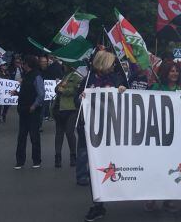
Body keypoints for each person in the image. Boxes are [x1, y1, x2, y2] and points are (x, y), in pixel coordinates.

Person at [81, 48, 128, 222]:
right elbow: (78, 100)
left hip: (113, 130)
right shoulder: (88, 80)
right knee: (93, 168)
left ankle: (118, 192)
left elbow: (129, 98)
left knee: (114, 164)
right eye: (111, 63)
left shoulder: (116, 78)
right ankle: (97, 205)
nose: (113, 66)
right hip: (92, 130)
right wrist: (82, 97)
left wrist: (123, 90)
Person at [144, 60, 181, 213]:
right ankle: (152, 197)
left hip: (176, 136)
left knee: (172, 167)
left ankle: (169, 199)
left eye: (177, 71)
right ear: (165, 73)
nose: (175, 73)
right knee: (156, 166)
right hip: (158, 135)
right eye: (171, 71)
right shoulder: (156, 88)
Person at [12, 55, 45, 169]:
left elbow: (41, 94)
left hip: (32, 110)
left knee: (34, 135)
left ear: (28, 64)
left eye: (24, 63)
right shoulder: (25, 76)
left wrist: (34, 105)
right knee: (22, 136)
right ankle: (20, 161)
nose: (22, 65)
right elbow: (25, 92)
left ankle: (36, 160)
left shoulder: (37, 76)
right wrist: (17, 94)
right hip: (23, 109)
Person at [53, 65, 82, 168]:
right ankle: (57, 157)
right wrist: (61, 87)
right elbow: (56, 89)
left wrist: (63, 89)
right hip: (59, 108)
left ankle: (73, 156)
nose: (63, 66)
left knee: (70, 133)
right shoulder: (65, 76)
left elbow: (74, 91)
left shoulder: (76, 77)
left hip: (70, 109)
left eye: (65, 64)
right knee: (59, 134)